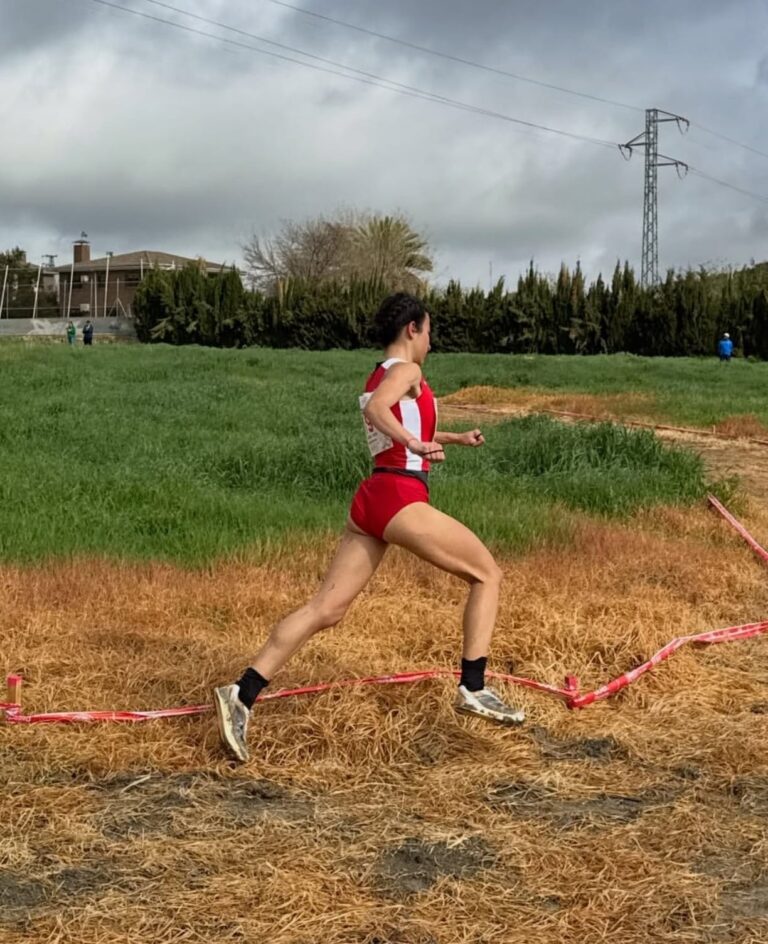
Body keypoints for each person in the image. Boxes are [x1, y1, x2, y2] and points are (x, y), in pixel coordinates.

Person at [213, 292, 525, 763]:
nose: (431, 342)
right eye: (429, 331)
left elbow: (397, 419)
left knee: (326, 608)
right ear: (412, 329)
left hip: (372, 502)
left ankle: (242, 693)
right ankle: (474, 687)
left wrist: (453, 438)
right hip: (400, 496)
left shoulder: (382, 372)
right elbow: (378, 411)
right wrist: (414, 444)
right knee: (487, 574)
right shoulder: (407, 371)